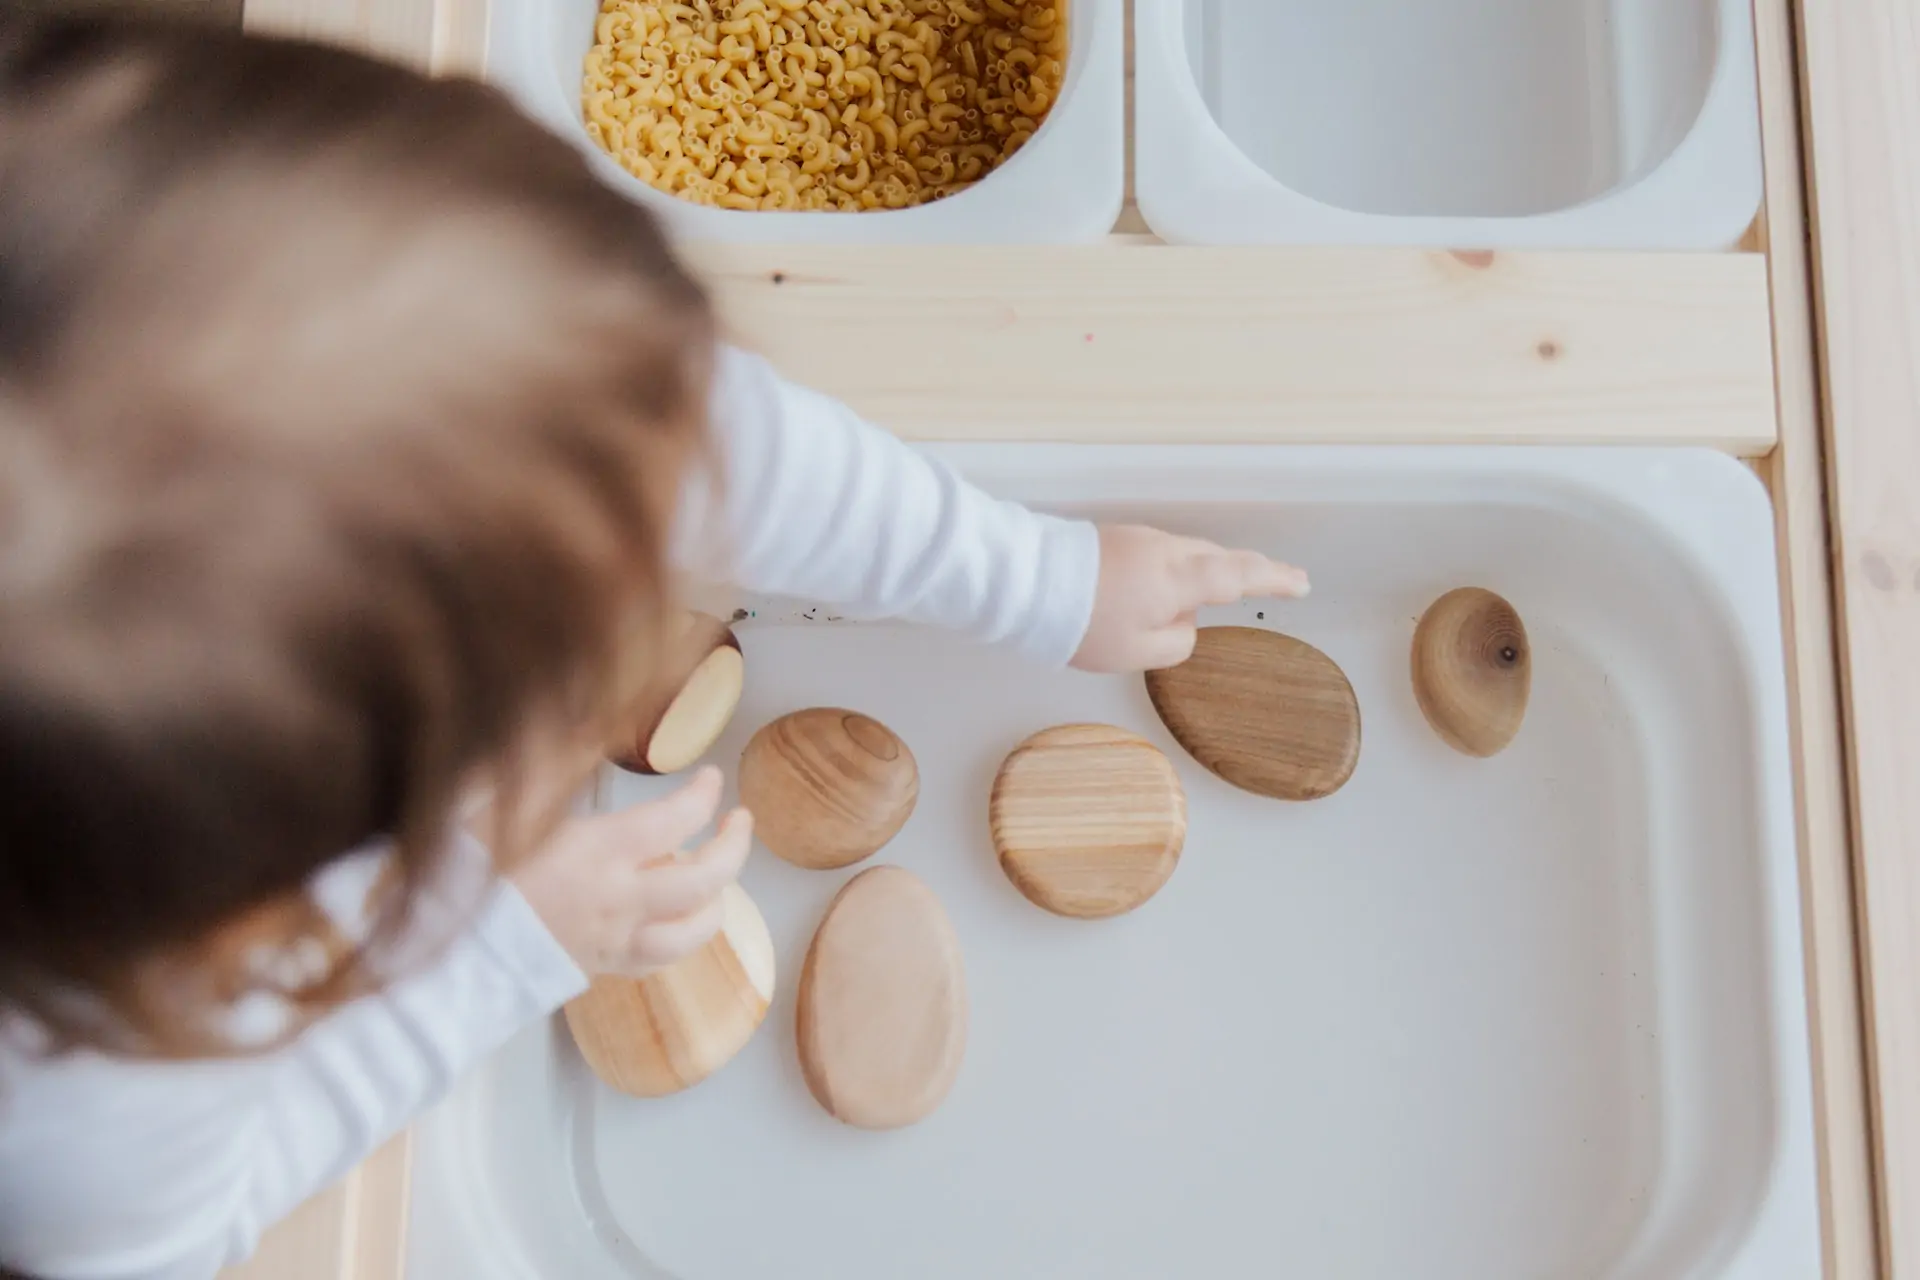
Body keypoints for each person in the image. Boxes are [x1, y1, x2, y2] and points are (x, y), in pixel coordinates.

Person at [0, 15, 1307, 1279]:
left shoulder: (343, 341)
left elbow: (680, 438)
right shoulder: (83, 1102)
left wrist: (1038, 579)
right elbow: (179, 1234)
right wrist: (502, 938)